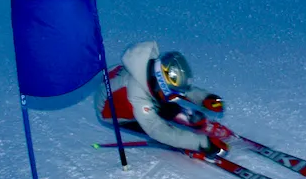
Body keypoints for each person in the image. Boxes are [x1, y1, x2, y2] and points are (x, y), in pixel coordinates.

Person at [96, 41, 230, 155]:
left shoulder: (154, 71)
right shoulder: (137, 94)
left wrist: (204, 98)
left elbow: (178, 86)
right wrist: (199, 143)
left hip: (120, 87)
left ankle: (190, 119)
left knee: (168, 105)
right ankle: (185, 130)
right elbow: (156, 129)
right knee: (164, 117)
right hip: (114, 114)